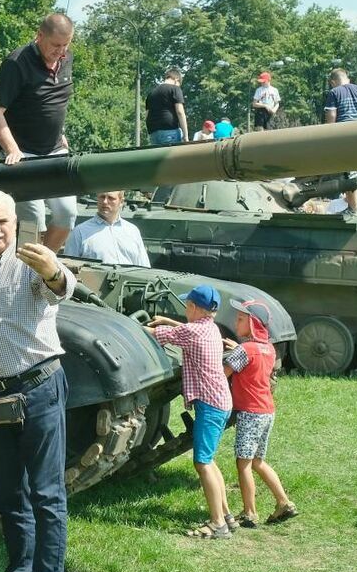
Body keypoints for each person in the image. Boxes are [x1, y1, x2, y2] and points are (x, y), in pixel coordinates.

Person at [0, 189, 76, 572]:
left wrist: (53, 269)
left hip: (37, 388)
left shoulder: (32, 260)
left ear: (15, 223)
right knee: (9, 493)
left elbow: (59, 286)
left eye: (3, 222)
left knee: (47, 493)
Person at [144, 284, 235, 540]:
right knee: (209, 459)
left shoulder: (192, 331)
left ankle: (218, 524)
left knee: (202, 462)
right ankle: (226, 515)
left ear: (194, 307)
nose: (185, 309)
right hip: (220, 401)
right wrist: (169, 320)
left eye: (187, 305)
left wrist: (133, 326)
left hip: (210, 405)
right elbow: (185, 329)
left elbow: (152, 334)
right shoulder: (211, 328)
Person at [0, 12, 78, 251]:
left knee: (67, 213)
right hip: (22, 153)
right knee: (33, 216)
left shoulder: (66, 58)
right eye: (55, 45)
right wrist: (12, 149)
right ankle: (26, 269)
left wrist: (60, 133)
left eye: (65, 45)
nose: (61, 51)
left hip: (55, 149)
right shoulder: (17, 63)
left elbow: (54, 102)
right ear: (39, 36)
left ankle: (43, 263)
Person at [222, 299, 298, 528]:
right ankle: (284, 502)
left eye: (242, 319)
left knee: (243, 463)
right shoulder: (268, 348)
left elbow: (222, 373)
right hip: (267, 411)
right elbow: (251, 361)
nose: (237, 323)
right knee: (258, 461)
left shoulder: (246, 349)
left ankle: (249, 512)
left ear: (254, 323)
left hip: (250, 413)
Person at [324, 68, 357, 214]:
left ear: (333, 82)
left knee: (350, 174)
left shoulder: (334, 92)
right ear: (347, 78)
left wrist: (329, 136)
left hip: (346, 135)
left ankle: (353, 210)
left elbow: (332, 115)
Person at [65, 190, 150, 266]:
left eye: (111, 198)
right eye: (102, 197)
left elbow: (144, 267)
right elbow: (68, 270)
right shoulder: (80, 232)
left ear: (121, 202)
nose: (105, 201)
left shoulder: (132, 231)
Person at [145, 67, 188, 146]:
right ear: (176, 79)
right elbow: (180, 112)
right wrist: (186, 136)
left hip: (153, 133)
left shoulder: (151, 93)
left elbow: (147, 115)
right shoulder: (175, 89)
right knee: (173, 158)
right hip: (170, 132)